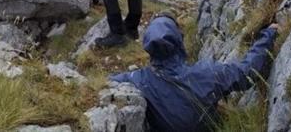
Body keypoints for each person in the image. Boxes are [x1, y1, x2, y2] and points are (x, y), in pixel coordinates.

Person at [111, 13, 278, 132]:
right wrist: (268, 35)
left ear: (148, 47)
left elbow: (107, 83)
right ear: (179, 40)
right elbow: (247, 72)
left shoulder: (137, 79)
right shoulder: (206, 73)